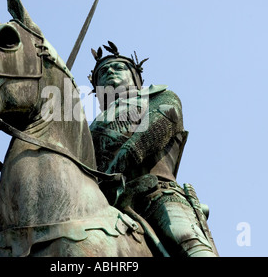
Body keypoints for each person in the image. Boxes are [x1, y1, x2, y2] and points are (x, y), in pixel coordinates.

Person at [88, 41, 219, 257]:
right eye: (103, 72)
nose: (110, 72)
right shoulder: (89, 128)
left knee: (185, 237)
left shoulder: (160, 97)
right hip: (103, 205)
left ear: (136, 78)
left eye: (118, 68)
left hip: (155, 194)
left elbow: (164, 120)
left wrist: (124, 157)